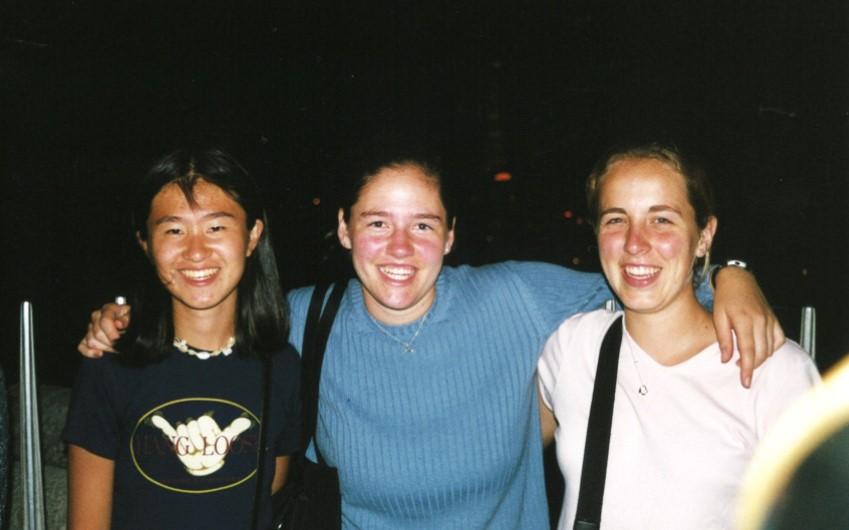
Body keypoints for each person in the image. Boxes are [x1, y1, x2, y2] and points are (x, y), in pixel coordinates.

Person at [79, 151, 783, 529]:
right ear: (344, 231)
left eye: (422, 225)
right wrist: (117, 320)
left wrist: (729, 274)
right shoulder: (305, 318)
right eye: (376, 223)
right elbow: (202, 311)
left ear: (449, 237)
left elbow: (643, 277)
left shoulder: (514, 298)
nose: (399, 248)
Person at [537, 143, 819, 530]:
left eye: (661, 220)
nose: (634, 242)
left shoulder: (773, 369)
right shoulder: (573, 346)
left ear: (704, 236)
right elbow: (501, 452)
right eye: (616, 219)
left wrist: (731, 272)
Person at [63, 149, 300, 530]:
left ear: (252, 236)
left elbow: (270, 491)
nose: (196, 252)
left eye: (216, 228)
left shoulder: (281, 365)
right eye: (174, 230)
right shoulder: (111, 365)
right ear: (146, 243)